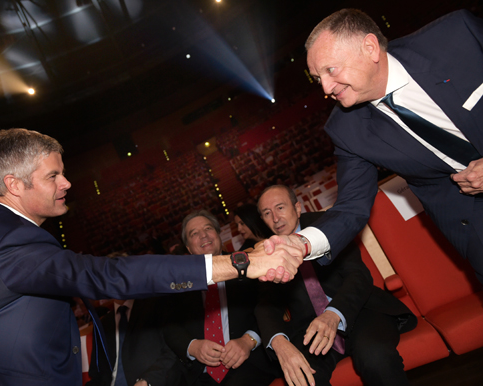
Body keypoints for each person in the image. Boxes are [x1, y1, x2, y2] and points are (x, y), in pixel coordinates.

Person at [0, 128, 300, 386]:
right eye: (53, 176)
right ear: (14, 185)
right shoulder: (7, 240)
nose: (67, 183)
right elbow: (107, 276)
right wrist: (242, 262)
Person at [276, 8, 483, 283]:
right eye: (318, 79)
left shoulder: (456, 38)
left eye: (330, 70)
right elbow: (351, 206)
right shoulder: (346, 129)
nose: (325, 88)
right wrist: (301, 244)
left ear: (370, 48)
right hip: (475, 225)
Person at [256, 185, 417, 386]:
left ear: (297, 208)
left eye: (280, 208)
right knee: (300, 379)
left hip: (357, 310)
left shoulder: (328, 225)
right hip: (310, 329)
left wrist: (333, 314)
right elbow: (265, 307)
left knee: (375, 357)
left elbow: (358, 275)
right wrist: (279, 343)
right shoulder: (266, 252)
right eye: (267, 213)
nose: (275, 218)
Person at [163, 210, 278, 386]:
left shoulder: (247, 266)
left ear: (218, 235)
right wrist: (192, 346)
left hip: (249, 365)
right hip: (198, 375)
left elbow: (270, 308)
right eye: (194, 234)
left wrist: (249, 340)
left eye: (208, 228)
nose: (203, 235)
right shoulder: (179, 284)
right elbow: (170, 326)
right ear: (188, 248)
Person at [86, 297, 183, 386]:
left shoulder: (155, 308)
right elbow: (97, 374)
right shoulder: (102, 324)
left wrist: (147, 381)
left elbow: (172, 353)